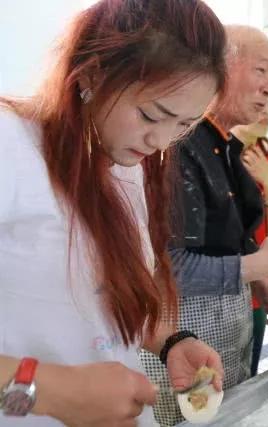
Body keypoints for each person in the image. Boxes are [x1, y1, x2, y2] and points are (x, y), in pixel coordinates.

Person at [0, 1, 228, 425]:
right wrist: (51, 390)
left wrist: (170, 343)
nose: (161, 142)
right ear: (91, 74)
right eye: (151, 115)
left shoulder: (123, 162)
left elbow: (99, 300)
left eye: (184, 125)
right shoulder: (10, 144)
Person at [139, 25, 268, 426]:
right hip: (182, 343)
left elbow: (224, 242)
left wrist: (260, 284)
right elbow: (168, 267)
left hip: (227, 339)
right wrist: (259, 266)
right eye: (261, 71)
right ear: (219, 66)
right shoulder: (179, 144)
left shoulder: (225, 146)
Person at [231, 99, 268, 376]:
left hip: (257, 289)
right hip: (215, 286)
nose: (266, 110)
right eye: (258, 101)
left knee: (247, 375)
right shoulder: (213, 158)